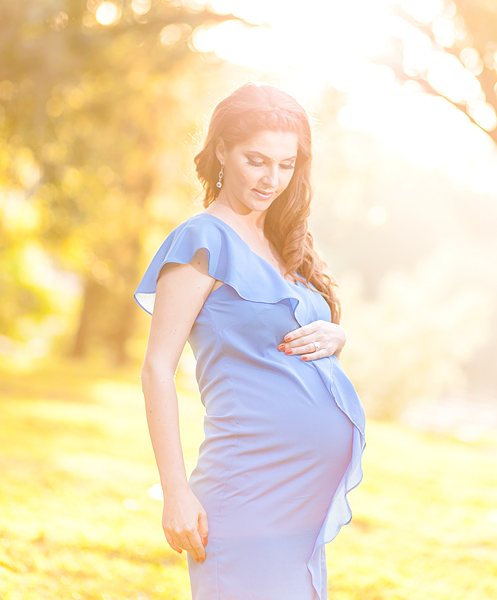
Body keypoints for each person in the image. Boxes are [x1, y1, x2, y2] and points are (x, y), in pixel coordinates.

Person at [136, 83, 365, 600]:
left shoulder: (282, 240)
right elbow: (156, 369)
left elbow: (283, 335)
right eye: (257, 160)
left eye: (286, 165)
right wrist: (176, 492)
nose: (272, 179)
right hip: (247, 489)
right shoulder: (202, 241)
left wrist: (335, 333)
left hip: (299, 501)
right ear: (221, 150)